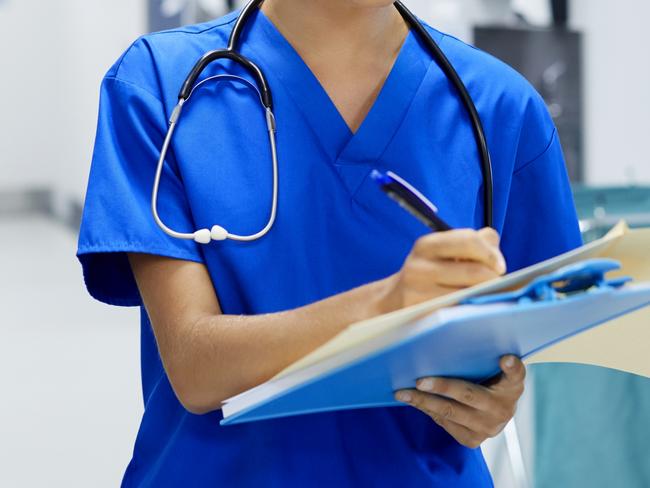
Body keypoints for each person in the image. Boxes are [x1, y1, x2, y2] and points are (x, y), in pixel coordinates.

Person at [77, 0, 582, 486]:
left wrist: (493, 397)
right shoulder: (160, 85)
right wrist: (387, 305)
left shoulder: (499, 109)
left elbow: (517, 332)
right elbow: (196, 369)